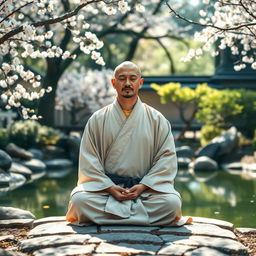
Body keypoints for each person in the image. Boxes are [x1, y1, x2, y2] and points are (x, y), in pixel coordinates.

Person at [66, 61, 191, 226]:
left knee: (172, 204)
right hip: (105, 190)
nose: (127, 83)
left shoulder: (157, 119)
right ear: (113, 83)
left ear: (140, 83)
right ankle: (141, 217)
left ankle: (109, 218)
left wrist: (143, 186)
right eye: (122, 78)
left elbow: (166, 159)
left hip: (146, 190)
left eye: (132, 79)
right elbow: (89, 159)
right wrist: (110, 188)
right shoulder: (97, 119)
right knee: (79, 200)